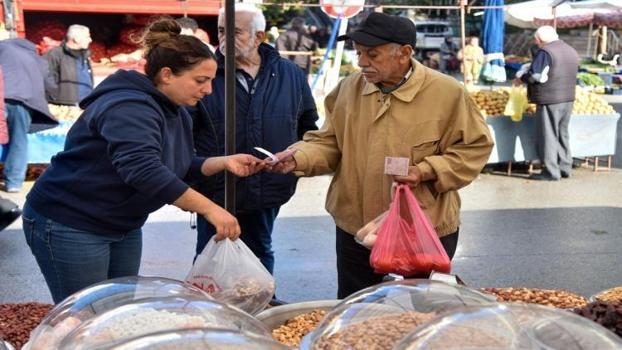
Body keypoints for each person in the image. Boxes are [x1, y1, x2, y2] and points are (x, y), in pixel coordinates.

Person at [22, 18, 264, 303]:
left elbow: (174, 165)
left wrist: (222, 162)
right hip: (71, 221)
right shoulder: (129, 105)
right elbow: (144, 171)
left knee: (119, 308)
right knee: (84, 317)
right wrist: (211, 209)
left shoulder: (173, 108)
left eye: (211, 80)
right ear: (166, 75)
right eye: (201, 80)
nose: (209, 90)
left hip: (121, 223)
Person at [269, 12, 493, 299]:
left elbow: (474, 147)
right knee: (357, 306)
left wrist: (425, 170)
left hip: (424, 224)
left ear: (405, 53)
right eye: (359, 52)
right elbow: (329, 141)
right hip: (357, 226)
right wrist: (299, 157)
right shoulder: (349, 88)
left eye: (372, 54)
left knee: (428, 309)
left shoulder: (447, 93)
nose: (362, 62)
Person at [192, 3, 318, 277]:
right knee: (211, 255)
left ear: (259, 36)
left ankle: (259, 310)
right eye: (222, 31)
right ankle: (210, 315)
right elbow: (185, 131)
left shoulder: (290, 75)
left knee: (259, 251)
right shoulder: (206, 73)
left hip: (269, 185)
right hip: (216, 187)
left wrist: (295, 158)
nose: (225, 38)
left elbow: (308, 127)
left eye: (235, 32)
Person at [514, 26, 579, 181]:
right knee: (562, 133)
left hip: (550, 98)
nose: (536, 43)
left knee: (548, 135)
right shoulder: (570, 50)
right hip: (568, 98)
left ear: (540, 40)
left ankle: (551, 172)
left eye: (536, 40)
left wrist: (521, 78)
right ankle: (565, 167)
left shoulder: (545, 52)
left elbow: (535, 76)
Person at [0, 37, 58, 192]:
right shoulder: (36, 58)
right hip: (23, 102)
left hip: (3, 95)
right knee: (19, 140)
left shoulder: (3, 48)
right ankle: (14, 182)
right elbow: (50, 85)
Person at [45, 24, 93, 106]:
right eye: (87, 37)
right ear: (76, 39)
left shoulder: (84, 56)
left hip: (86, 103)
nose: (90, 40)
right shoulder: (55, 54)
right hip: (65, 106)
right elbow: (46, 79)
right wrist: (56, 99)